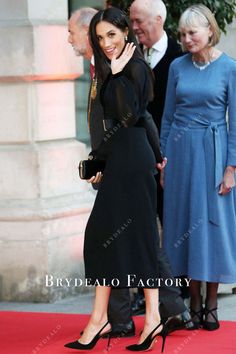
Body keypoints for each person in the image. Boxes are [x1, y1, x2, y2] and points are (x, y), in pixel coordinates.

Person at [68, 7, 192, 337]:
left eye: (111, 34)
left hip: (129, 161)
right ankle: (122, 318)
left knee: (134, 238)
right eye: (99, 37)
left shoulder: (131, 66)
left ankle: (158, 313)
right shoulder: (105, 67)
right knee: (118, 238)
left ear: (125, 33)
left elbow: (134, 116)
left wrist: (155, 154)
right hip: (118, 159)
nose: (104, 42)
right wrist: (101, 162)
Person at [160, 4, 236, 331]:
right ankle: (191, 301)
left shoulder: (230, 68)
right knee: (183, 225)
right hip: (179, 153)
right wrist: (163, 160)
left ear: (209, 30)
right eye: (182, 34)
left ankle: (212, 303)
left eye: (193, 32)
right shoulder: (177, 67)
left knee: (212, 225)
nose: (187, 39)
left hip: (214, 151)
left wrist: (232, 167)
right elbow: (166, 117)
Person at [130, 0, 190, 323]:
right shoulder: (131, 57)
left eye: (138, 20)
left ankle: (176, 298)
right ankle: (146, 293)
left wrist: (170, 154)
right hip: (139, 157)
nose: (134, 26)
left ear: (158, 19)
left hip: (171, 158)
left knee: (173, 225)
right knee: (142, 227)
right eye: (132, 21)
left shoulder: (180, 60)